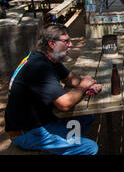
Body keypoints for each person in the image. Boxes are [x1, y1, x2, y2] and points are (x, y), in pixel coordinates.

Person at [4, 24, 102, 155]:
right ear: (52, 44)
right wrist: (83, 86)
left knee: (87, 114)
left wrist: (88, 84)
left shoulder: (48, 58)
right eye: (66, 41)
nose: (71, 44)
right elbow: (64, 104)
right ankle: (69, 146)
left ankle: (68, 146)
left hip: (42, 122)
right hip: (27, 132)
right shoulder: (39, 67)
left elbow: (69, 79)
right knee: (90, 147)